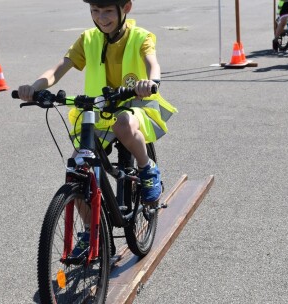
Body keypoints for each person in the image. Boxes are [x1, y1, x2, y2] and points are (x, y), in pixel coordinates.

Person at [16, 0, 177, 256]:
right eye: (95, 11)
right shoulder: (88, 39)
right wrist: (35, 87)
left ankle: (147, 169)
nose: (101, 18)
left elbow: (151, 62)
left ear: (126, 8)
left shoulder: (141, 37)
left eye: (107, 11)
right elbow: (60, 68)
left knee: (124, 123)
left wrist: (151, 81)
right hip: (98, 112)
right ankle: (94, 233)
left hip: (135, 106)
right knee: (76, 166)